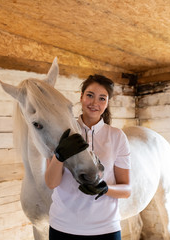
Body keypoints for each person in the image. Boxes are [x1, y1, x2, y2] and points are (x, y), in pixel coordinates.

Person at [45, 74, 132, 240]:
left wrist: (105, 189)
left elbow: (126, 189)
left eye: (102, 98)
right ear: (81, 97)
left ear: (107, 103)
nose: (94, 103)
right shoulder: (61, 131)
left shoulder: (117, 136)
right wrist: (59, 156)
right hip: (62, 227)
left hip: (106, 229)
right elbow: (51, 183)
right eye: (90, 95)